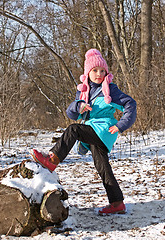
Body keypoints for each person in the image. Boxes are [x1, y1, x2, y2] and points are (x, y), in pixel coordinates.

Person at [30, 49, 137, 215]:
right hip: (93, 129)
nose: (99, 74)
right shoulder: (84, 91)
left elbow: (130, 104)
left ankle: (53, 159)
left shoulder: (110, 89)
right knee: (102, 166)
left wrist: (122, 125)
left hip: (104, 130)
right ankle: (117, 202)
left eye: (102, 71)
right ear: (87, 72)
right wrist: (78, 106)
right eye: (95, 70)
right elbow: (71, 113)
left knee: (74, 129)